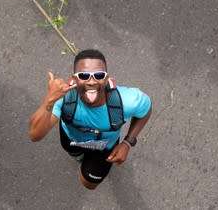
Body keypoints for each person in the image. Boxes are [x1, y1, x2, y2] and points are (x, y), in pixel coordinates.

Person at [29, 49, 152, 189]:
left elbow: (146, 110)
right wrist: (49, 100)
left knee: (89, 183)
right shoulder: (62, 98)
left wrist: (127, 143)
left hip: (105, 148)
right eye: (84, 75)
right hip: (71, 140)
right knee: (75, 153)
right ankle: (79, 156)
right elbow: (35, 135)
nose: (92, 82)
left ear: (106, 79)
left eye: (99, 75)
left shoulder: (128, 101)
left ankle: (85, 161)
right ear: (74, 79)